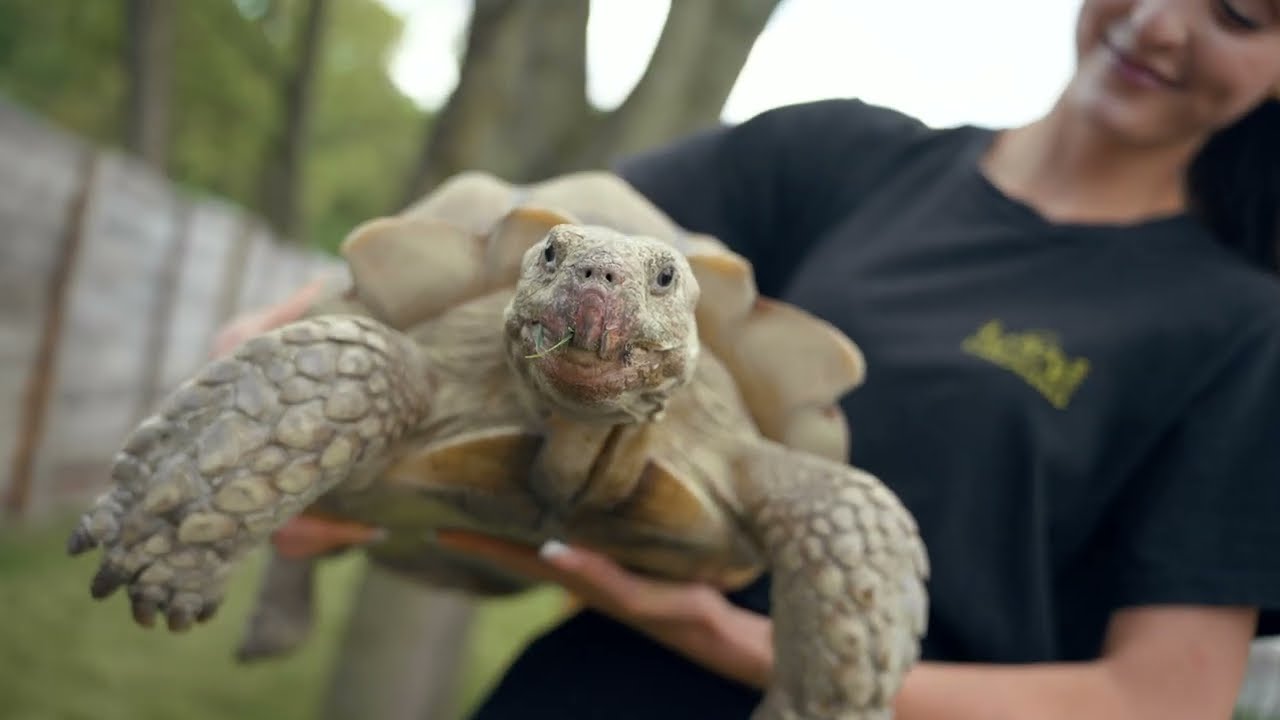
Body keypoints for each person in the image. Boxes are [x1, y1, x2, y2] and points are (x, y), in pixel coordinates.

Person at [221, 1, 1280, 717]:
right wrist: (302, 322)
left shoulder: (1240, 329)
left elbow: (1160, 699)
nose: (1156, 21)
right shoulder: (838, 160)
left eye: (1235, 11)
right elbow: (534, 247)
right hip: (596, 683)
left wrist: (744, 644)